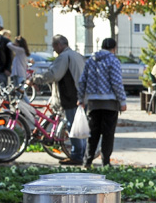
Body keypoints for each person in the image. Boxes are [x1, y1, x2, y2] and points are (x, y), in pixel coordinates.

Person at [30, 35, 86, 165]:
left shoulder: (64, 57)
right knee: (78, 126)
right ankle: (80, 154)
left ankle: (77, 156)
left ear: (59, 45)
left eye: (54, 46)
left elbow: (54, 74)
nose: (54, 49)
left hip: (71, 96)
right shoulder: (76, 55)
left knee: (73, 127)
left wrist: (35, 79)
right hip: (81, 94)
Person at [77, 38, 127, 168]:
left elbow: (82, 80)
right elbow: (116, 82)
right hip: (110, 103)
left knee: (93, 134)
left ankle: (87, 161)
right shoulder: (113, 60)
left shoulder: (91, 60)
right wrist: (122, 100)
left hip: (93, 102)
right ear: (114, 48)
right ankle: (105, 162)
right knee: (108, 134)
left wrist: (81, 98)